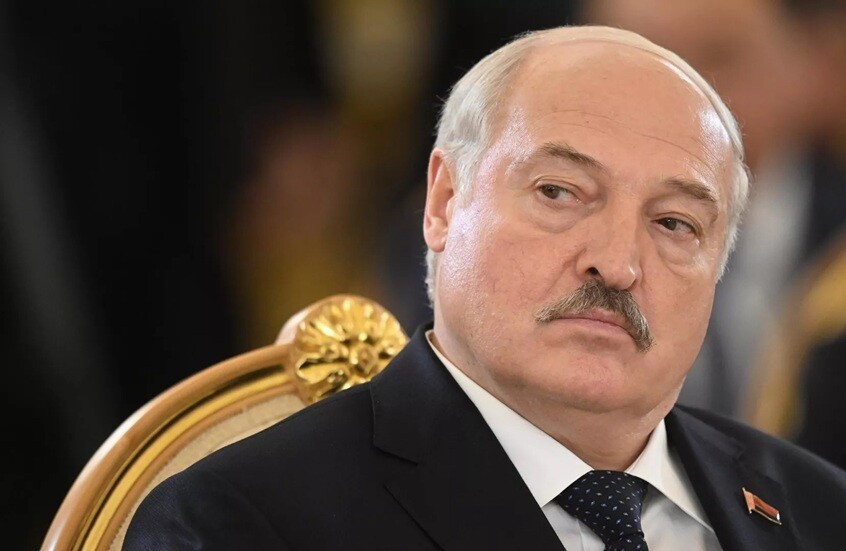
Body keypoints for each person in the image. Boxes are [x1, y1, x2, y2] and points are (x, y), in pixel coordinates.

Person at [124, 26, 846, 550]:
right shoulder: (247, 521)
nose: (618, 264)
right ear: (443, 202)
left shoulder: (821, 509)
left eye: (674, 223)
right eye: (560, 192)